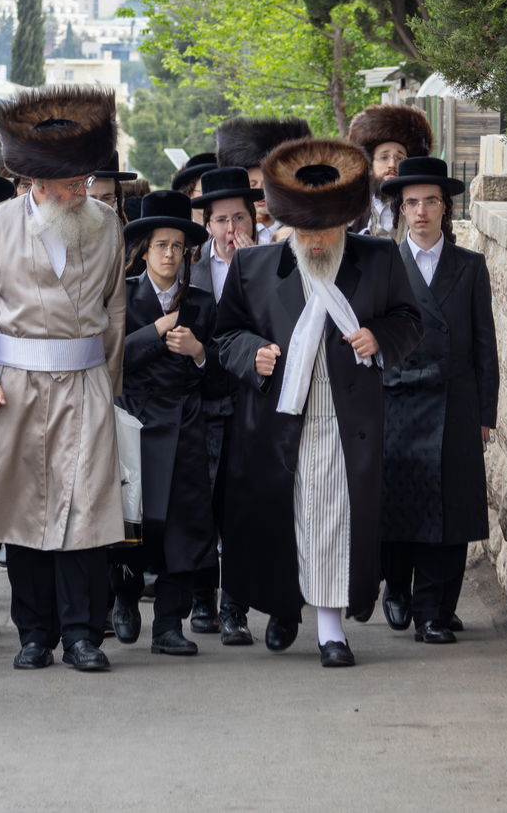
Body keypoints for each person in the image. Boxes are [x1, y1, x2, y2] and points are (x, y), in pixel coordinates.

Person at [213, 138, 422, 668]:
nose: (316, 241)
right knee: (283, 519)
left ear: (345, 223)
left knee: (331, 518)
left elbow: (409, 321)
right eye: (307, 231)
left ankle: (331, 631)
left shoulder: (377, 259)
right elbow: (225, 335)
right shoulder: (256, 267)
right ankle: (284, 610)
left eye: (326, 230)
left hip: (345, 419)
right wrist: (252, 353)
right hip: (279, 420)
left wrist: (378, 338)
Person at [0, 85, 127, 673]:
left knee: (85, 511)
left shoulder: (106, 224)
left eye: (85, 181)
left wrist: (107, 383)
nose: (82, 191)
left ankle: (83, 635)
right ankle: (34, 633)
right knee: (23, 510)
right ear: (37, 182)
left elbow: (117, 311)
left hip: (84, 386)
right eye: (71, 183)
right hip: (17, 388)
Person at [377, 156, 499, 643]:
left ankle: (433, 611)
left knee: (448, 510)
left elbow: (485, 344)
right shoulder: (383, 264)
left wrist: (485, 413)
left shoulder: (470, 267)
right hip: (395, 400)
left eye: (430, 201)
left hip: (454, 399)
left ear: (445, 208)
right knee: (396, 504)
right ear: (402, 211)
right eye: (412, 203)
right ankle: (396, 588)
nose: (421, 211)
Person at [112, 191, 233, 656]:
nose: (169, 254)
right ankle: (123, 602)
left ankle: (168, 625)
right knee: (130, 523)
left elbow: (222, 374)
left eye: (178, 247)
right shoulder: (122, 295)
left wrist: (199, 352)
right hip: (134, 423)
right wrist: (157, 332)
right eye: (161, 245)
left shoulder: (201, 301)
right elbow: (111, 359)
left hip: (185, 424)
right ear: (145, 250)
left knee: (183, 529)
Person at [185, 165, 266, 643]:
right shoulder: (192, 271)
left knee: (242, 510)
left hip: (251, 405)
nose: (231, 229)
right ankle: (202, 599)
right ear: (208, 224)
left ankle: (235, 607)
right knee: (200, 504)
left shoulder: (270, 265)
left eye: (239, 217)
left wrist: (256, 270)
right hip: (202, 402)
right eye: (221, 220)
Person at [215, 116, 312, 245]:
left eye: (267, 184)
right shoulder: (225, 233)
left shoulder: (304, 230)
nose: (261, 192)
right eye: (252, 184)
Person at [347, 104, 433, 237]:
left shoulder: (424, 210)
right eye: (384, 157)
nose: (392, 165)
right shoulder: (352, 208)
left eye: (399, 158)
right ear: (370, 166)